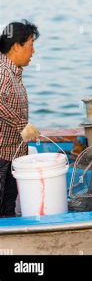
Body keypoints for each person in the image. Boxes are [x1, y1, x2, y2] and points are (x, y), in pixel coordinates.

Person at [0, 20, 40, 217]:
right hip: (1, 156)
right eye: (31, 45)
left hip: (12, 154)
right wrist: (22, 125)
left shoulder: (14, 72)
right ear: (17, 46)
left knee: (7, 210)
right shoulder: (2, 71)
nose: (33, 52)